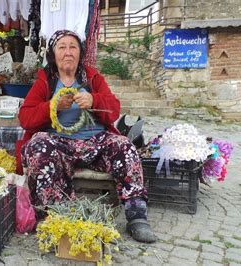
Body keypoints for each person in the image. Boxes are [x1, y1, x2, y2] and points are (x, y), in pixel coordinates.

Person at [17, 30, 156, 243]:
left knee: (125, 146)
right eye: (61, 47)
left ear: (80, 53)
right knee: (39, 145)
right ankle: (53, 215)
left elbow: (114, 109)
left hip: (95, 142)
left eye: (73, 47)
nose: (68, 52)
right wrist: (52, 107)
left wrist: (94, 100)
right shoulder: (45, 81)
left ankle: (137, 216)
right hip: (59, 144)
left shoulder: (92, 78)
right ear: (53, 54)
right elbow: (25, 117)